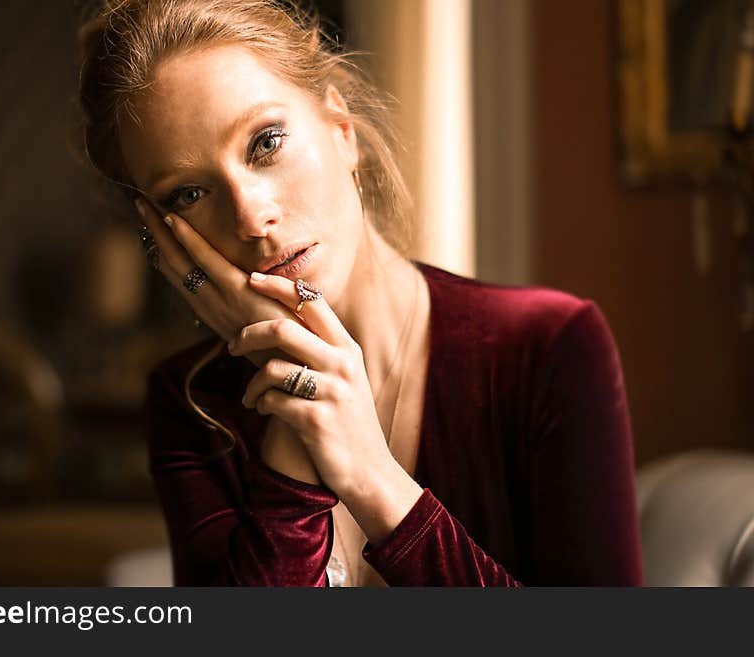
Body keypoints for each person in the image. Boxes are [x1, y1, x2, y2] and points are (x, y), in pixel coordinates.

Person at [76, 0, 643, 586]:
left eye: (265, 143)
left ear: (341, 130)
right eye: (189, 194)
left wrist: (374, 480)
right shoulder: (190, 400)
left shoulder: (549, 345)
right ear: (165, 237)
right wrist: (296, 421)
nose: (251, 217)